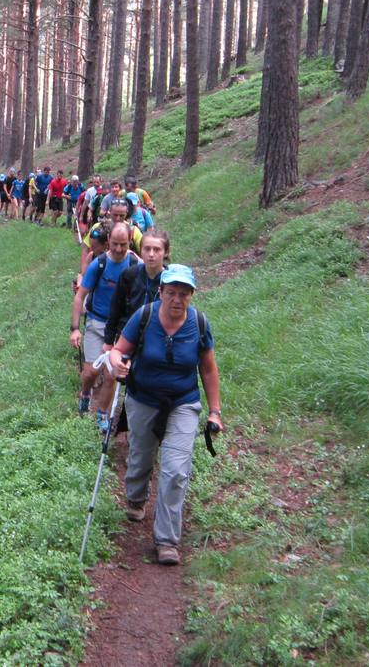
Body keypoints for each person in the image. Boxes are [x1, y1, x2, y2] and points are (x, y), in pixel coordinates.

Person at [107, 264, 223, 566]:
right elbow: (118, 350)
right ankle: (136, 495)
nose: (176, 299)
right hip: (143, 398)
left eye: (183, 294)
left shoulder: (198, 323)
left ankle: (166, 539)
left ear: (192, 295)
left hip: (183, 402)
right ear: (161, 292)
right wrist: (118, 363)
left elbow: (208, 368)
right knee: (141, 455)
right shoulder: (144, 316)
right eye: (171, 292)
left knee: (176, 469)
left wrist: (215, 411)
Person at [70, 222, 140, 429]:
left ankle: (102, 413)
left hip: (121, 328)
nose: (119, 249)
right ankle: (85, 394)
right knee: (91, 371)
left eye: (124, 245)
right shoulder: (98, 264)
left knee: (111, 374)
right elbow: (80, 296)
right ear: (109, 241)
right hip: (97, 322)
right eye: (115, 244)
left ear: (130, 243)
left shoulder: (136, 264)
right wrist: (74, 329)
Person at [104, 228, 168, 347]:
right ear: (140, 250)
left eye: (157, 250)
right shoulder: (129, 275)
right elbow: (116, 309)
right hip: (127, 338)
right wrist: (108, 341)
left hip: (158, 340)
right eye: (147, 249)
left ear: (166, 252)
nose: (151, 254)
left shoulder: (171, 281)